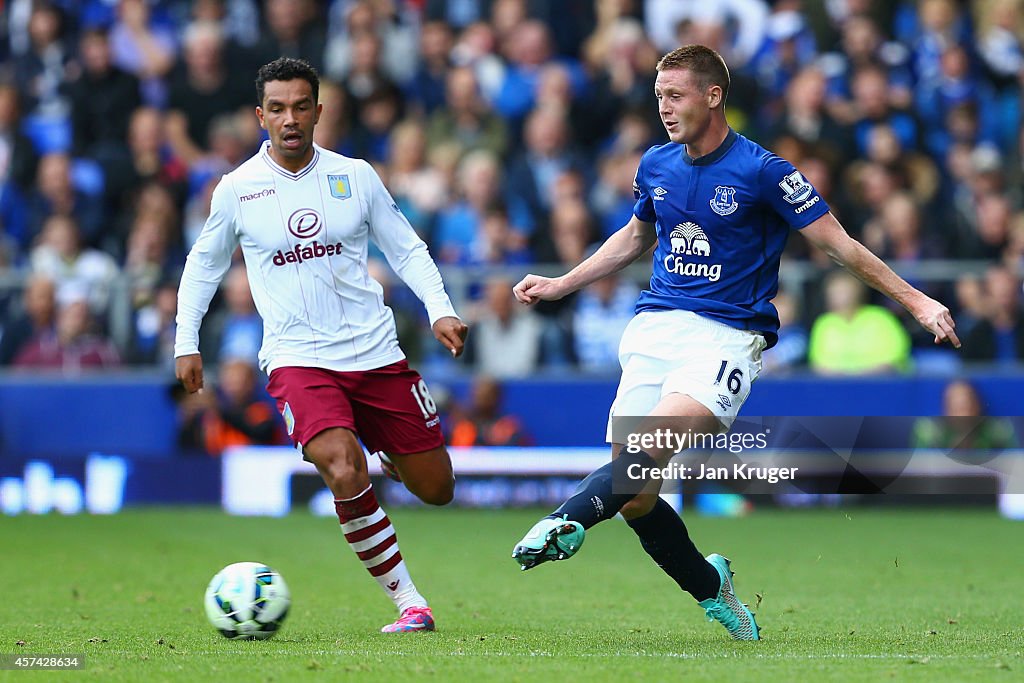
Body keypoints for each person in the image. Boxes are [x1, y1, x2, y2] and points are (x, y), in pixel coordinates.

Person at [509, 45, 960, 641]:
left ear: (713, 95)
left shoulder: (764, 171)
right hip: (652, 331)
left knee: (645, 451)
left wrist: (918, 301)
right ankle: (710, 587)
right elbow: (635, 235)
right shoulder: (656, 163)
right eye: (658, 96)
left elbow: (839, 245)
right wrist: (564, 282)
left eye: (675, 95)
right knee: (637, 495)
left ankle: (564, 522)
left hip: (725, 338)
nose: (663, 108)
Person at [174, 58, 468, 634]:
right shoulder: (237, 190)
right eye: (277, 109)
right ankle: (411, 602)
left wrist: (441, 309)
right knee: (340, 464)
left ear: (318, 112)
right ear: (261, 117)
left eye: (300, 106)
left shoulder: (354, 175)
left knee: (437, 489)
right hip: (297, 358)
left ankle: (388, 452)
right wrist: (186, 342)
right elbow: (202, 268)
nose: (290, 119)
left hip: (376, 353)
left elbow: (405, 247)